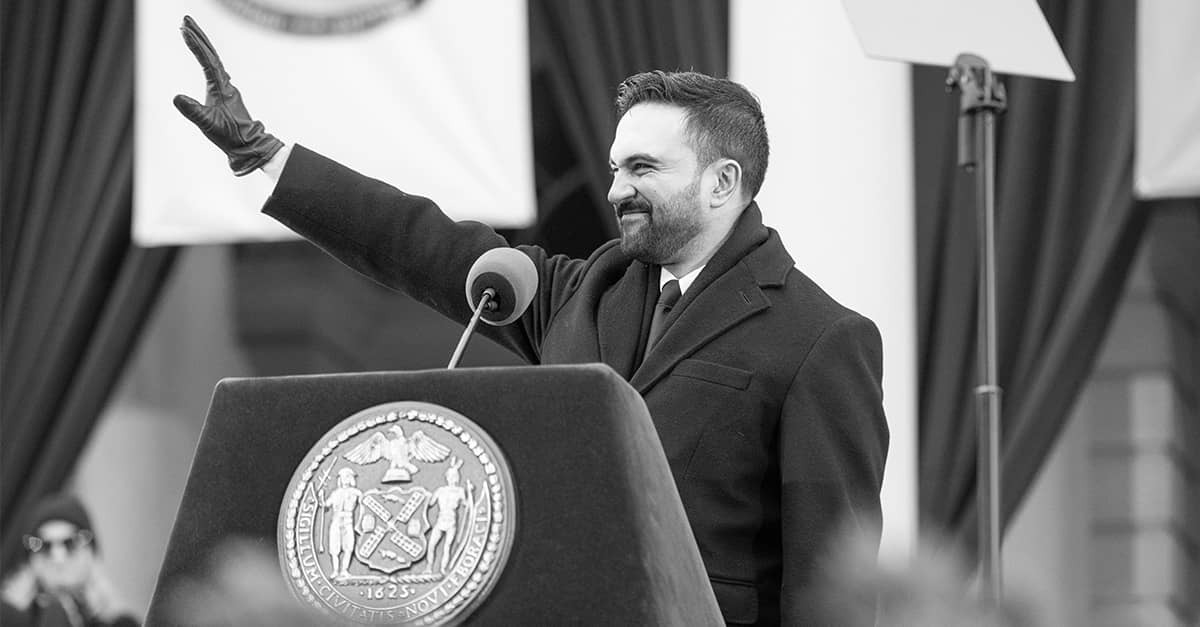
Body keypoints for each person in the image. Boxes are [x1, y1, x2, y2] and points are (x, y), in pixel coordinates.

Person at [174, 15, 889, 625]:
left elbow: (832, 583)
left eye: (642, 167)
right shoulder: (584, 291)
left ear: (723, 181)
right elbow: (416, 243)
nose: (615, 188)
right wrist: (265, 156)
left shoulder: (821, 338)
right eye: (614, 167)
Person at [0, 493, 138, 627]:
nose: (58, 557)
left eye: (71, 543)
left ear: (91, 554)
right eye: (44, 546)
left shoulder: (120, 624)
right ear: (31, 561)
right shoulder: (7, 618)